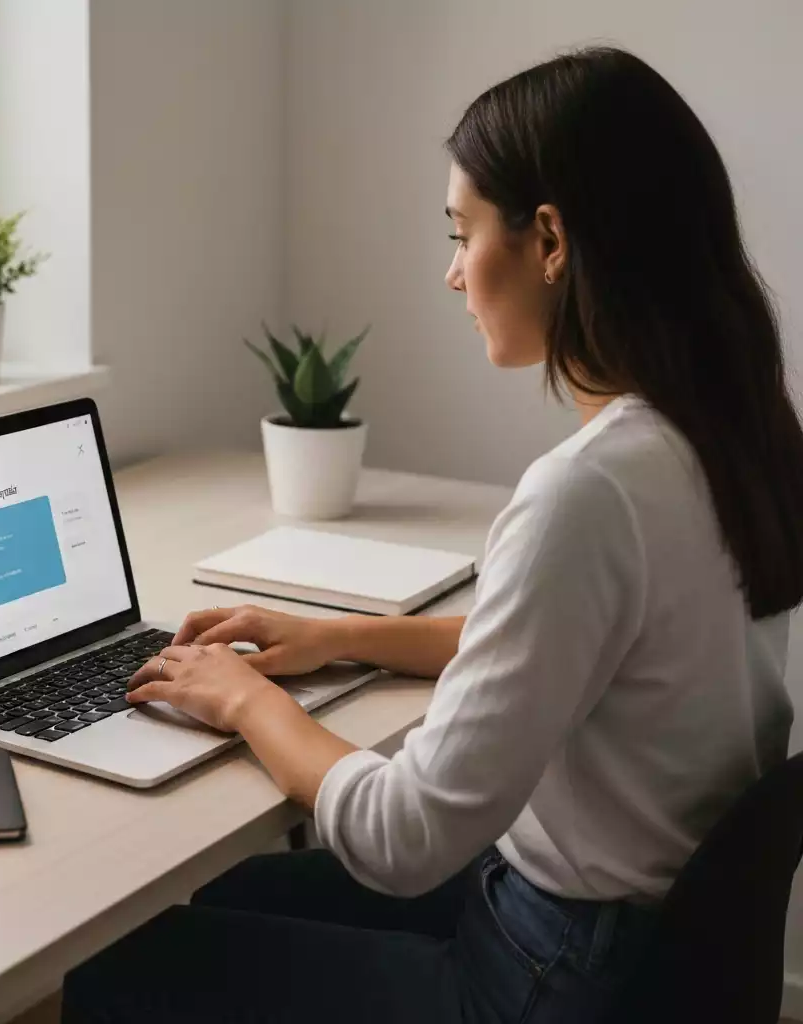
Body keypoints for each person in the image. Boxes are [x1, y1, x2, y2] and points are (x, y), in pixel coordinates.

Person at [62, 46, 803, 1023]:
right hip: (648, 952)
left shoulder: (587, 492)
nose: (451, 272)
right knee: (228, 901)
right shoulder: (725, 429)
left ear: (547, 241)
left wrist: (242, 699)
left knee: (117, 971)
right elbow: (579, 651)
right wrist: (341, 637)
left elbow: (402, 833)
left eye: (460, 233)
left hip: (553, 974)